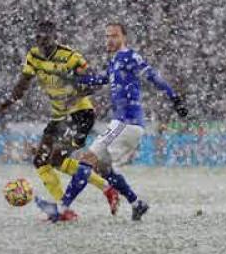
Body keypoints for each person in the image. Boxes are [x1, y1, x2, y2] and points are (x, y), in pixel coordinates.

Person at [35, 22, 188, 222]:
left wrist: (175, 98)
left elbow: (153, 76)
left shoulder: (130, 57)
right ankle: (136, 203)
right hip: (125, 124)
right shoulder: (115, 61)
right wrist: (72, 78)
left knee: (86, 161)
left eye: (114, 36)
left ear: (124, 38)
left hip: (126, 123)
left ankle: (62, 209)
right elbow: (99, 80)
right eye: (107, 36)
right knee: (104, 169)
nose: (109, 40)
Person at [0, 20, 118, 221]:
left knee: (54, 158)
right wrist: (9, 102)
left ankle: (83, 200)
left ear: (55, 38)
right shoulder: (33, 56)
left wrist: (76, 94)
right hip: (59, 116)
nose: (42, 41)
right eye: (38, 37)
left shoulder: (70, 57)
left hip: (80, 115)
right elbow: (23, 83)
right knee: (41, 161)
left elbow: (93, 83)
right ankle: (72, 207)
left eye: (46, 37)